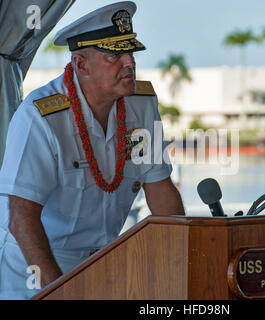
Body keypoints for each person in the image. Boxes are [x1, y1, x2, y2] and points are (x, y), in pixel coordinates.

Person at [0, 1, 185, 300]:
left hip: (102, 265)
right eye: (115, 55)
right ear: (81, 64)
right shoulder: (41, 116)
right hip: (32, 271)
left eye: (131, 52)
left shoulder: (141, 103)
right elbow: (21, 218)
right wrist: (58, 292)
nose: (130, 63)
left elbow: (160, 189)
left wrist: (185, 261)